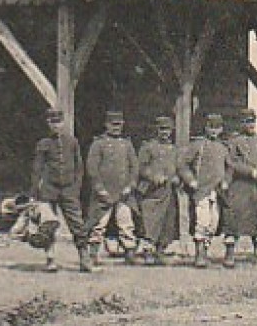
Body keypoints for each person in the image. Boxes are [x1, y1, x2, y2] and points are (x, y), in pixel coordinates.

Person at [33, 108, 93, 273]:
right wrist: (35, 192)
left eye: (58, 122)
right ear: (48, 124)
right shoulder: (43, 143)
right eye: (53, 123)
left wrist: (75, 187)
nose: (56, 126)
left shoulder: (72, 142)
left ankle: (84, 257)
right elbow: (37, 169)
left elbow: (79, 168)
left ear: (63, 123)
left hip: (69, 190)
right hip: (49, 190)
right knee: (48, 226)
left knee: (77, 224)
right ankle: (50, 258)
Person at [87, 110, 140, 261]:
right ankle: (93, 253)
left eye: (119, 125)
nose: (116, 128)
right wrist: (100, 189)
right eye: (113, 124)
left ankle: (129, 251)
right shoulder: (99, 144)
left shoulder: (126, 144)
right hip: (105, 192)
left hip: (124, 192)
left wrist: (130, 185)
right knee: (99, 223)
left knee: (126, 223)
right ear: (106, 125)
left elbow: (134, 167)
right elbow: (92, 168)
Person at [179, 113, 229, 268]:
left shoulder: (223, 147)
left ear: (221, 129)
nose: (214, 131)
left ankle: (205, 250)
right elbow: (183, 165)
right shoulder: (198, 145)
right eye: (211, 127)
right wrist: (191, 180)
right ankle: (199, 255)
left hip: (217, 191)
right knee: (202, 221)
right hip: (201, 190)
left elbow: (230, 167)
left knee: (213, 224)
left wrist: (226, 181)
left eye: (217, 128)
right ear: (206, 128)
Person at [225, 111, 257, 267]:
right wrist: (249, 171)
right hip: (240, 185)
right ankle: (230, 254)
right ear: (241, 124)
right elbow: (231, 162)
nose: (251, 125)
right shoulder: (234, 141)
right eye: (247, 122)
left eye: (252, 121)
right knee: (235, 218)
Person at [135, 116, 182, 263]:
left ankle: (161, 250)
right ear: (156, 130)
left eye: (167, 129)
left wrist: (177, 178)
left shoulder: (174, 149)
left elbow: (180, 167)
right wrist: (153, 176)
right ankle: (148, 250)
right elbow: (140, 167)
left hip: (168, 191)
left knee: (167, 222)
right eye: (162, 129)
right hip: (152, 191)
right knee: (150, 220)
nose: (165, 132)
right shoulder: (148, 147)